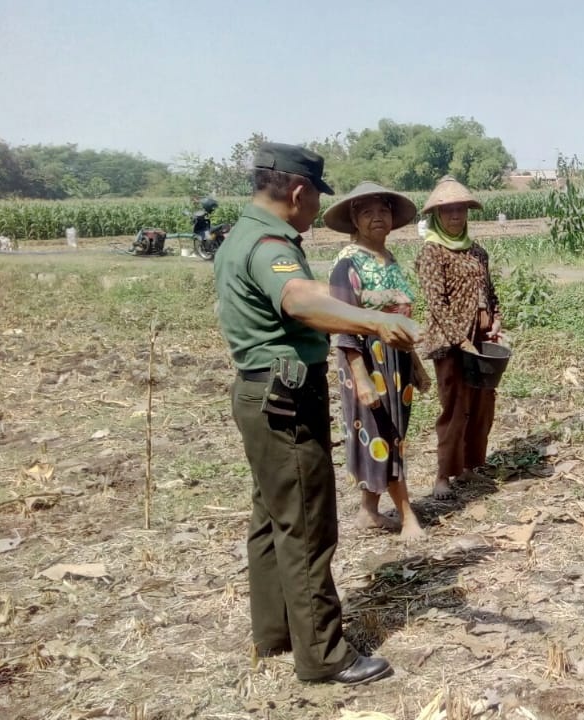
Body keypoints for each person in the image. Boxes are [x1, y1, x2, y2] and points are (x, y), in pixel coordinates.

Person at [214, 143, 423, 685]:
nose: (313, 214)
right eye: (314, 202)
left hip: (259, 395)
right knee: (308, 526)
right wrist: (373, 323)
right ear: (299, 192)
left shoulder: (240, 234)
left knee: (273, 518)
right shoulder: (268, 243)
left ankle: (278, 631)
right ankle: (325, 656)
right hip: (285, 402)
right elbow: (302, 298)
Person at [323, 181, 432, 540]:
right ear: (354, 219)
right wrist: (362, 377)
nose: (377, 218)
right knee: (383, 433)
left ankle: (368, 511)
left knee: (390, 435)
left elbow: (399, 315)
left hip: (396, 363)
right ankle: (407, 516)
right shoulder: (347, 263)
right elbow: (341, 323)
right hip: (367, 361)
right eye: (367, 212)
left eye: (382, 210)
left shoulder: (388, 258)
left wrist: (414, 362)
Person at [413, 175, 502, 499]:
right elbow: (436, 304)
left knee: (481, 404)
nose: (455, 217)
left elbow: (489, 292)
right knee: (453, 407)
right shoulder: (432, 253)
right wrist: (458, 338)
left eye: (460, 211)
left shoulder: (478, 252)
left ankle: (468, 467)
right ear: (437, 215)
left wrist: (495, 319)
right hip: (449, 343)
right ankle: (442, 476)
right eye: (448, 211)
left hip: (479, 340)